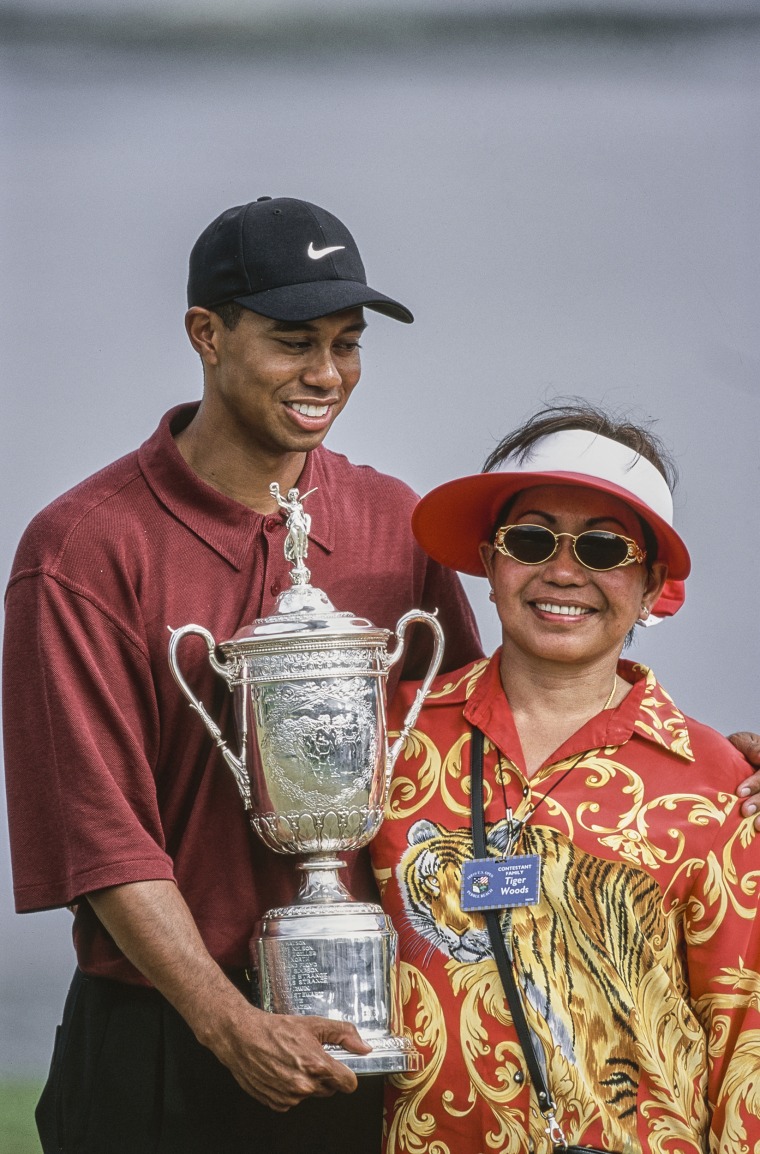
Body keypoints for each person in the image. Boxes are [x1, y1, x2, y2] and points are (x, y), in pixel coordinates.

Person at [2, 197, 483, 1154]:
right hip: (163, 1048)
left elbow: (484, 744)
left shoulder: (397, 523)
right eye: (293, 341)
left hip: (367, 1037)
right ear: (206, 335)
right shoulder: (81, 550)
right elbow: (103, 840)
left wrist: (708, 771)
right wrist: (232, 1027)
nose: (326, 375)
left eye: (347, 343)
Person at [371, 405, 760, 1153]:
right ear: (488, 564)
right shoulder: (391, 740)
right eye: (530, 539)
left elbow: (745, 1040)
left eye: (605, 550)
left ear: (651, 588)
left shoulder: (717, 785)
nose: (563, 571)